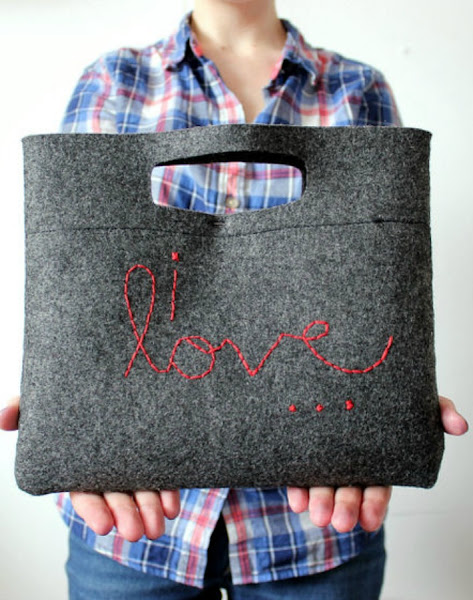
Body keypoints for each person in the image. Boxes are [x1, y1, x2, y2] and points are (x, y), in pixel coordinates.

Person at [2, 1, 469, 598]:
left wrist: (395, 391)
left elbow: (389, 279)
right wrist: (62, 396)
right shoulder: (113, 80)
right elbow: (73, 277)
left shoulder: (357, 87)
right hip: (130, 537)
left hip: (314, 537)